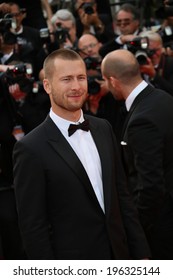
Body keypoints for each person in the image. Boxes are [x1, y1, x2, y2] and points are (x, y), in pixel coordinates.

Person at [13, 48, 151, 260]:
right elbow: (33, 227)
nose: (76, 87)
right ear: (47, 86)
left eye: (81, 78)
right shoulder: (31, 148)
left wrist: (142, 255)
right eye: (66, 79)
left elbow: (123, 197)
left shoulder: (104, 128)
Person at [101, 48, 173, 260]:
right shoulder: (163, 98)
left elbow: (151, 185)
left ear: (113, 81)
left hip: (161, 227)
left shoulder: (142, 120)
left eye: (105, 81)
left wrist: (137, 229)